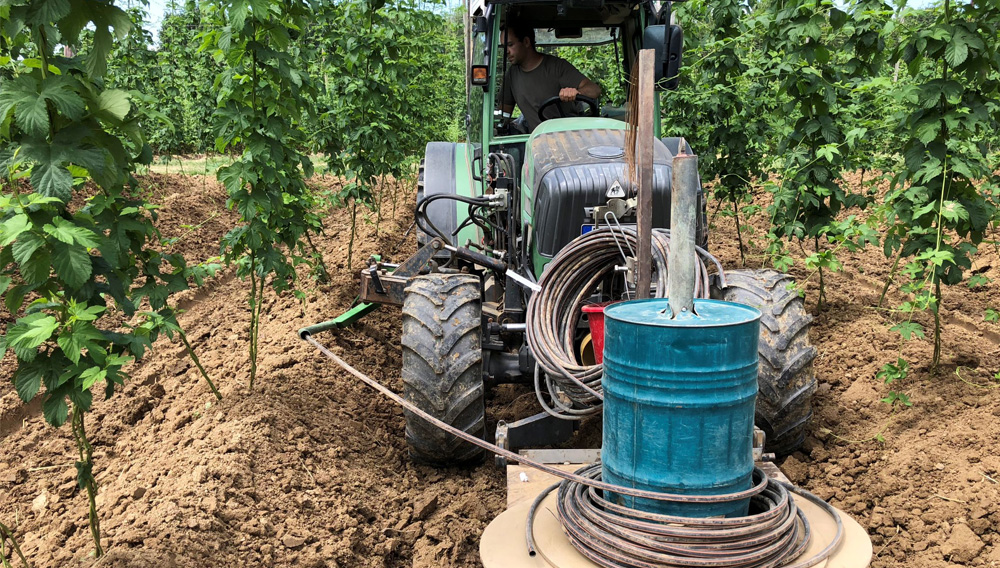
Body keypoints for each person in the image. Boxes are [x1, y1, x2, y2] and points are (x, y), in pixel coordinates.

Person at [499, 23, 602, 133]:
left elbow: (594, 90)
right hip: (537, 142)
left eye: (510, 45)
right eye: (504, 47)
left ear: (526, 42)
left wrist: (576, 92)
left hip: (569, 137)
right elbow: (503, 115)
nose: (506, 51)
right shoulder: (511, 75)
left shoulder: (557, 67)